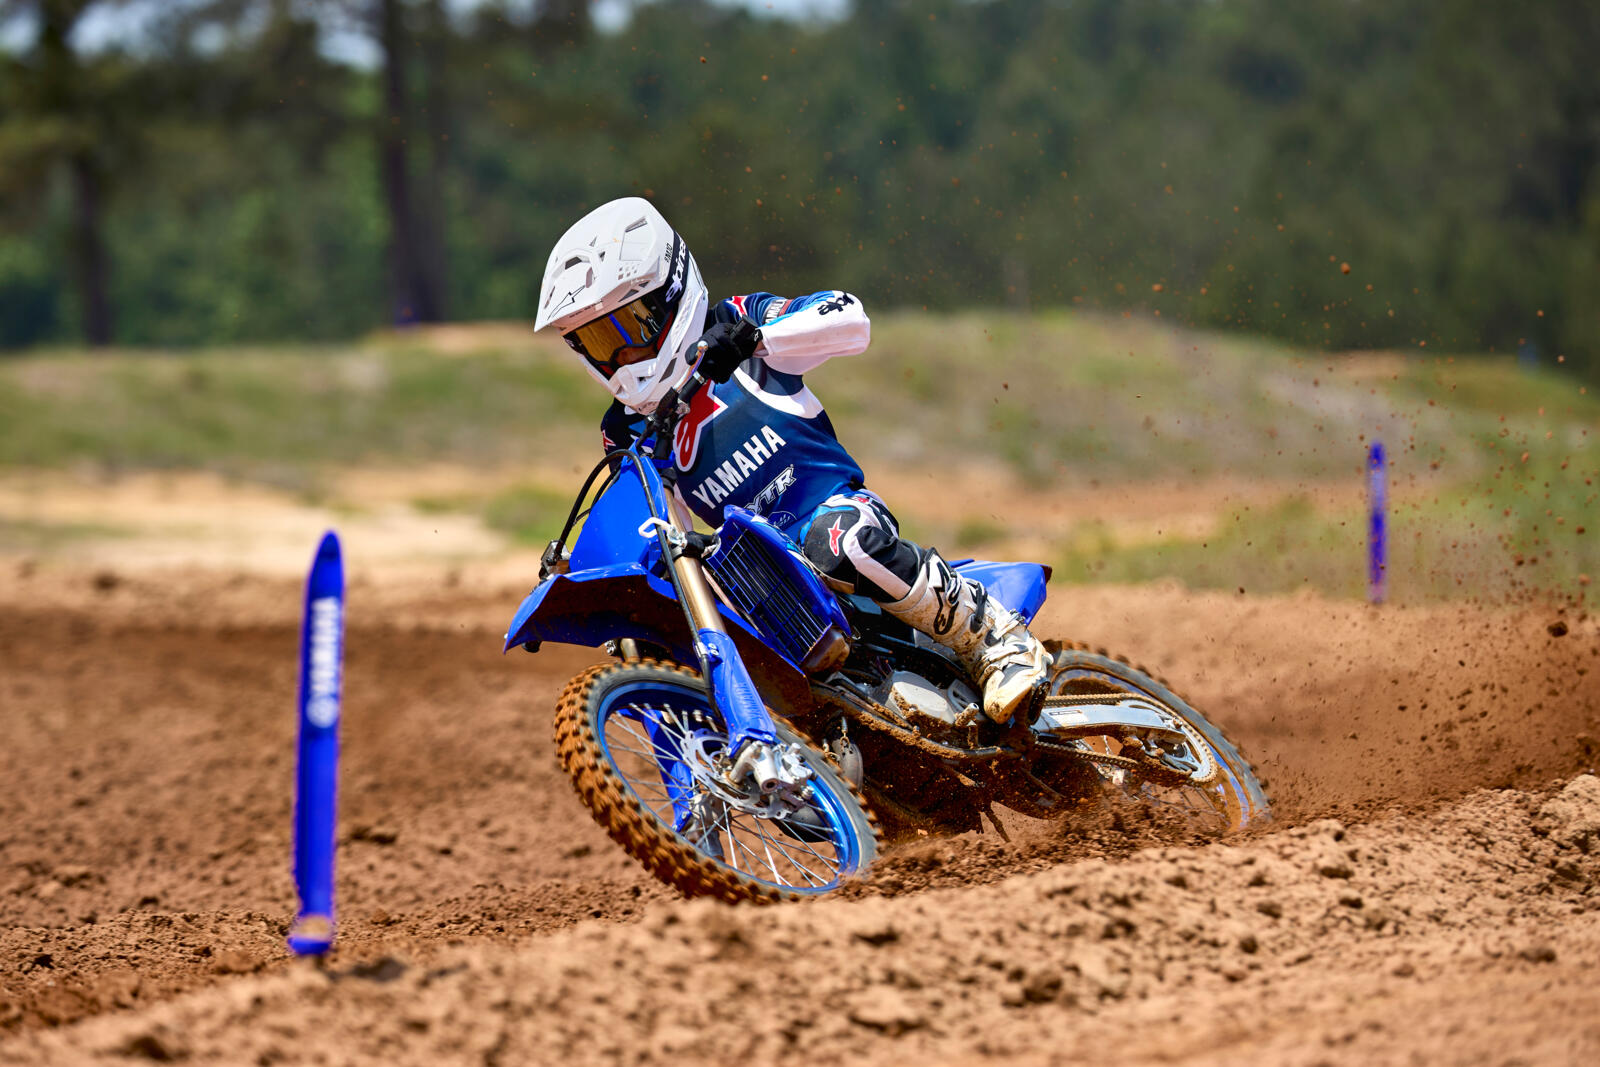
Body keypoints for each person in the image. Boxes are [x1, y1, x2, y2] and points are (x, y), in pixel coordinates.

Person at [534, 197, 1049, 724]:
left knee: (836, 540)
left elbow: (849, 317)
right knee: (654, 625)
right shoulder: (625, 429)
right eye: (596, 341)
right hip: (754, 568)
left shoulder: (735, 322)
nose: (618, 356)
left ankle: (991, 635)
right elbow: (653, 521)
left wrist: (756, 339)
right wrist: (586, 571)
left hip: (836, 515)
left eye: (626, 330)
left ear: (671, 293)